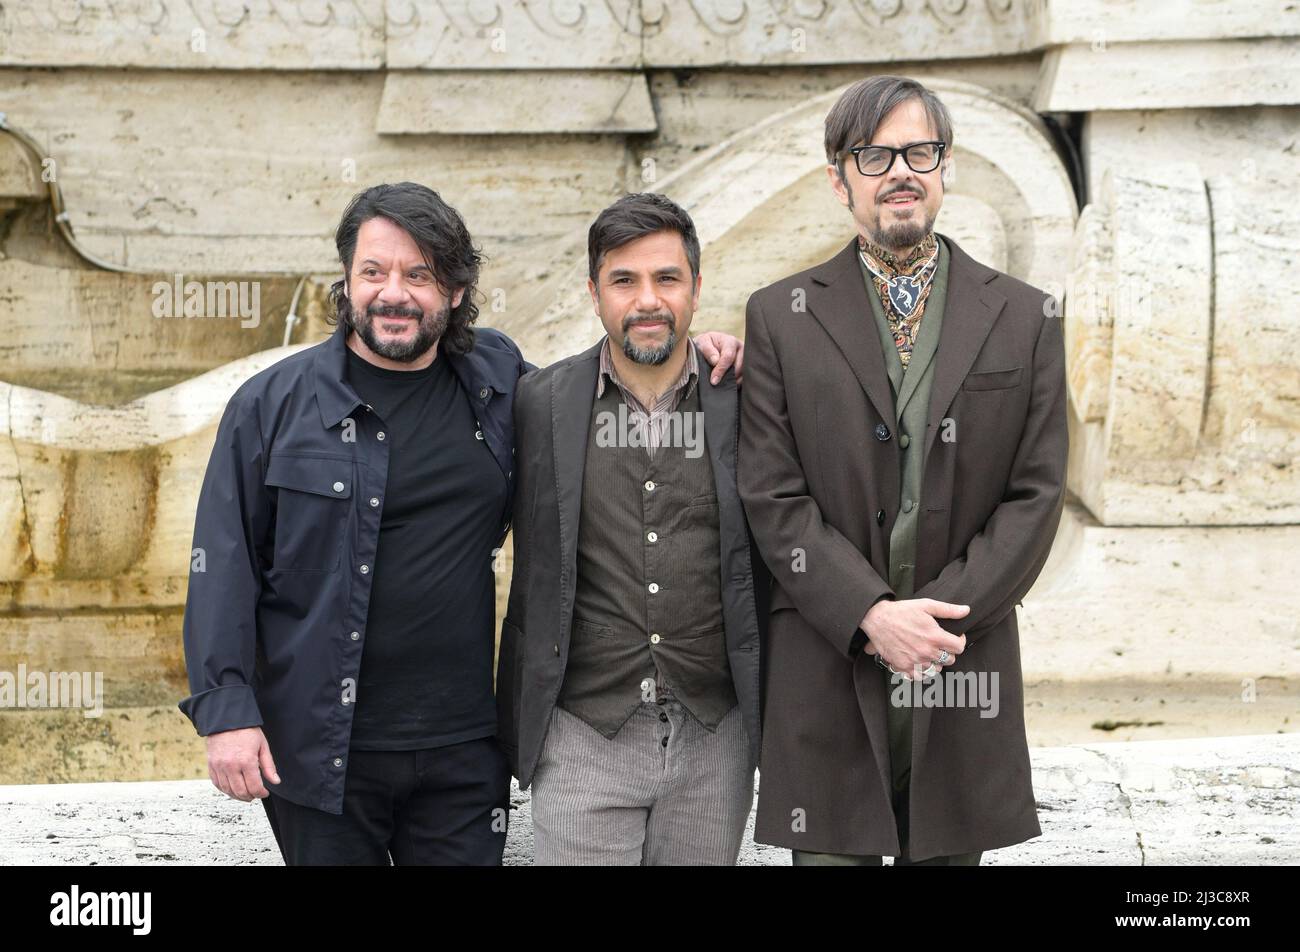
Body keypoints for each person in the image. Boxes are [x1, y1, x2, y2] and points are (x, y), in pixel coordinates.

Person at [178, 181, 744, 864]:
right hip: (319, 749)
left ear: (453, 289)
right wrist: (227, 709)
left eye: (420, 274)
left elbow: (610, 390)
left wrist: (693, 350)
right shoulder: (271, 406)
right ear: (346, 281)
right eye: (374, 272)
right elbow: (222, 563)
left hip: (465, 752)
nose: (395, 293)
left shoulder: (500, 382)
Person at [738, 76, 1068, 865]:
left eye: (920, 150)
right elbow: (772, 496)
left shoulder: (1025, 316)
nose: (900, 170)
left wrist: (936, 623)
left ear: (946, 167)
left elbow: (1038, 493)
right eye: (875, 153)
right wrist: (872, 615)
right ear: (838, 178)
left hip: (962, 670)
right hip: (827, 668)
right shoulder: (779, 316)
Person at [497, 193, 765, 865]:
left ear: (697, 291)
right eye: (624, 280)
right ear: (594, 293)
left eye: (667, 278)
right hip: (583, 736)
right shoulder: (539, 401)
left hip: (716, 739)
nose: (648, 299)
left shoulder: (751, 397)